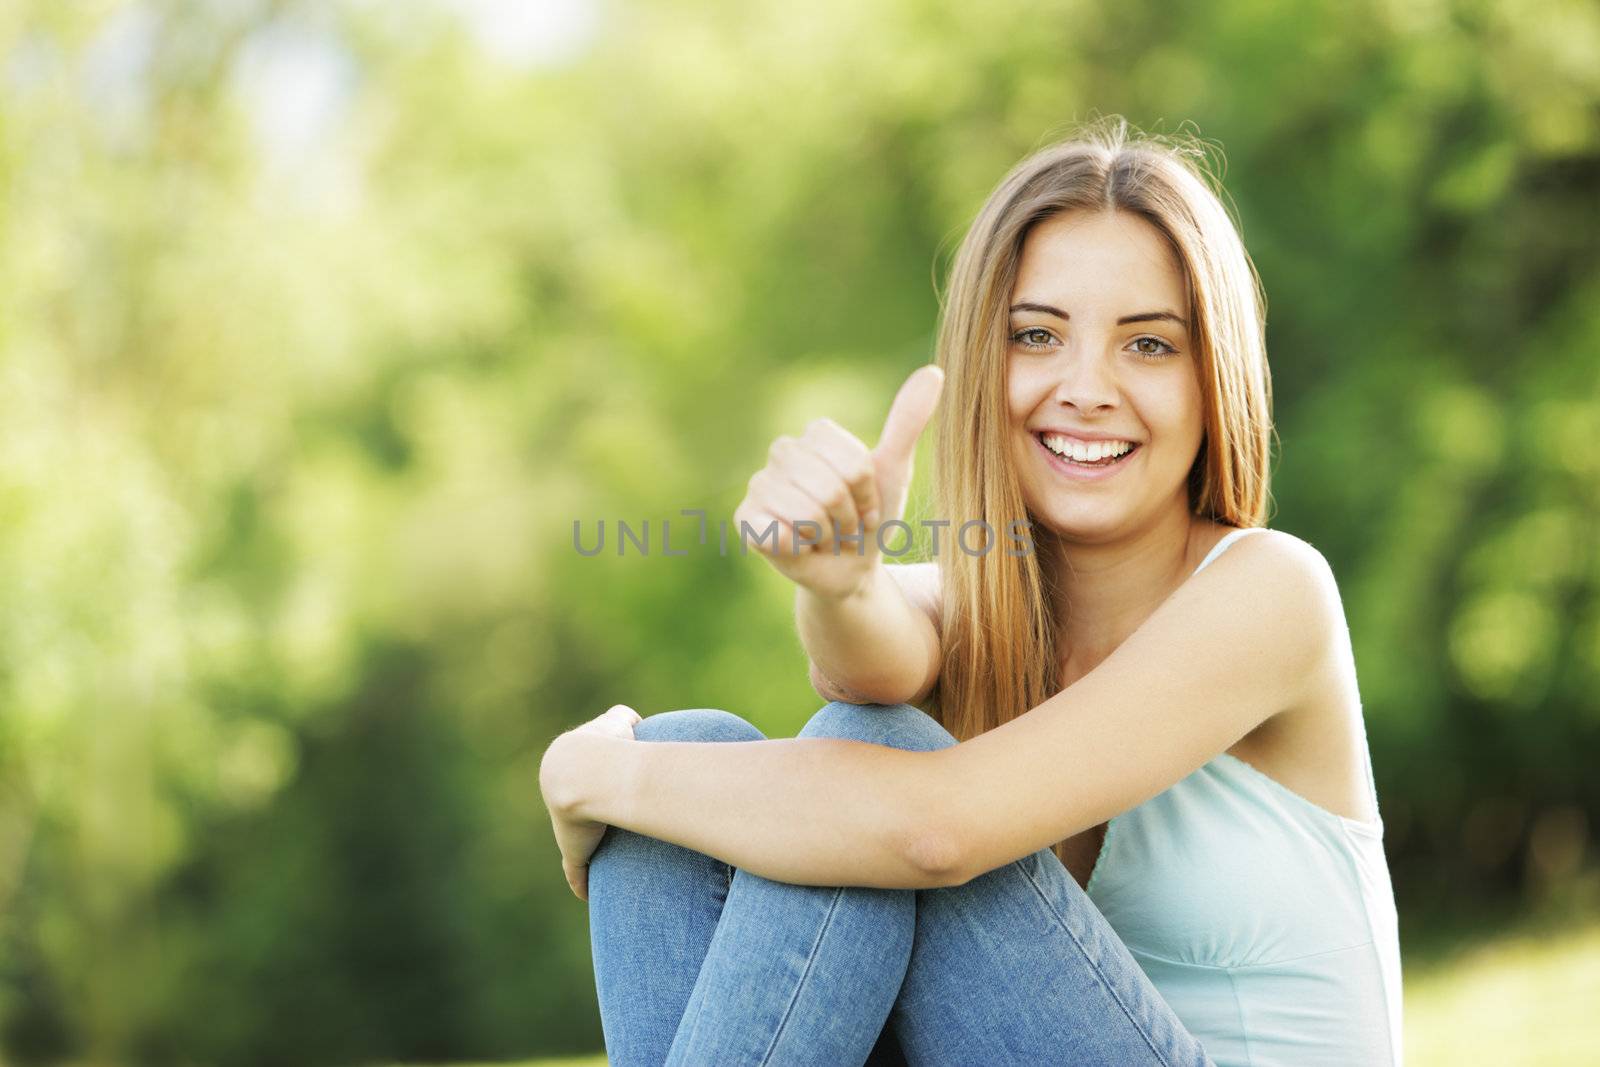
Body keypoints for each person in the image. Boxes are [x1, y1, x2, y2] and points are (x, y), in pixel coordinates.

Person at [539, 117, 1403, 1066]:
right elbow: (872, 655)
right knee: (698, 751)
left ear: (1213, 376)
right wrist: (842, 582)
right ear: (986, 366)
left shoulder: (1271, 592)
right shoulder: (983, 610)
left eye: (1148, 346)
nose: (1086, 387)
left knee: (862, 780)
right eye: (1038, 336)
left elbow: (937, 829)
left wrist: (597, 776)